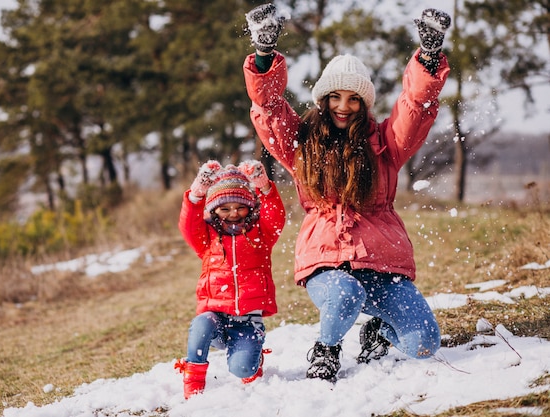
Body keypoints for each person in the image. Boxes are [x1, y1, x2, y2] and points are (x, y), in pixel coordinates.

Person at [243, 4, 452, 382]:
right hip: (326, 263)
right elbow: (269, 106)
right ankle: (326, 350)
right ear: (324, 99)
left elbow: (416, 106)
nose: (344, 106)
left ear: (363, 103)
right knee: (344, 294)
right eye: (336, 97)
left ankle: (378, 331)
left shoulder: (386, 145)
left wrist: (428, 56)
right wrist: (263, 53)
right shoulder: (301, 144)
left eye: (353, 98)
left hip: (381, 264)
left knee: (423, 342)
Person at [175, 160, 286, 399]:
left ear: (250, 206)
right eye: (225, 209)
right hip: (215, 316)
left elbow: (275, 216)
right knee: (201, 324)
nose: (233, 213)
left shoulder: (261, 235)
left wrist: (264, 186)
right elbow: (187, 225)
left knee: (242, 369)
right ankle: (193, 384)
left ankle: (252, 356)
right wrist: (196, 193)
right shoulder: (207, 239)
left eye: (240, 207)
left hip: (247, 322)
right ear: (214, 210)